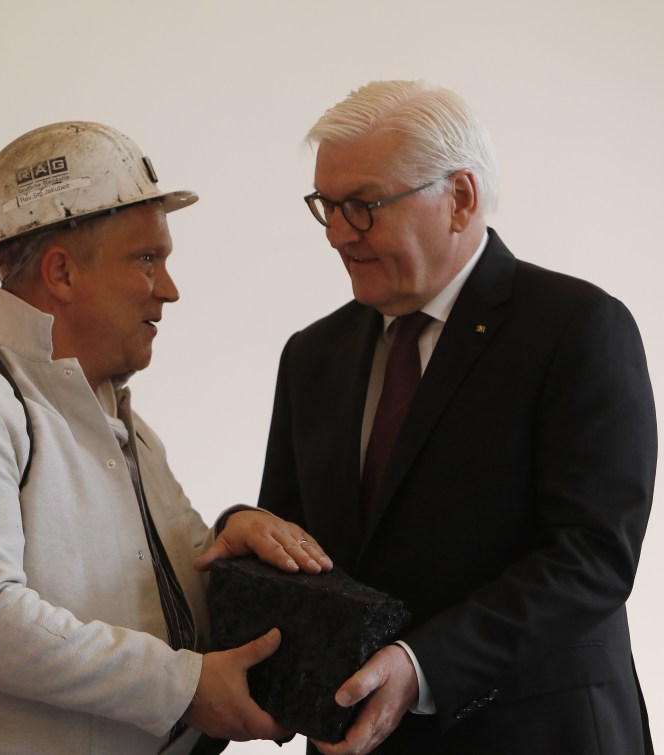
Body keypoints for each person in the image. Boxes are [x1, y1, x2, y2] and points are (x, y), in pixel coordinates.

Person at [0, 121, 331, 755]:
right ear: (61, 273)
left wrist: (230, 535)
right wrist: (186, 687)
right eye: (146, 259)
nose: (169, 289)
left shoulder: (121, 424)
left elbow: (169, 589)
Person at [258, 79, 656, 754]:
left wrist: (422, 666)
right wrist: (240, 524)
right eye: (326, 206)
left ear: (460, 199)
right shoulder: (312, 355)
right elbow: (291, 546)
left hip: (539, 734)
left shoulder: (577, 328)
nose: (334, 235)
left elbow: (592, 555)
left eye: (362, 206)